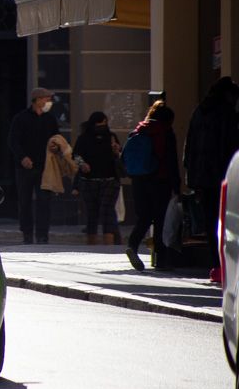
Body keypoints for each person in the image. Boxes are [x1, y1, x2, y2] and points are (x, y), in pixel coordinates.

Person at [183, 77, 239, 267]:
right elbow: (230, 147)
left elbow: (189, 144)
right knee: (229, 221)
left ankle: (216, 263)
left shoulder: (199, 112)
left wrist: (191, 176)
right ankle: (226, 263)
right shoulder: (227, 114)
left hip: (201, 177)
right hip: (223, 176)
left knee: (211, 220)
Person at [125, 101, 180, 271]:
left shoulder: (138, 130)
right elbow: (171, 160)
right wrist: (176, 185)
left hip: (139, 180)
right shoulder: (166, 132)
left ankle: (132, 246)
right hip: (160, 180)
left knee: (144, 217)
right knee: (160, 219)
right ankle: (161, 260)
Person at [7, 87, 60, 244]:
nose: (48, 102)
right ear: (37, 100)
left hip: (45, 168)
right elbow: (13, 141)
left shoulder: (50, 119)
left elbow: (56, 137)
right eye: (45, 99)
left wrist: (56, 147)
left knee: (44, 201)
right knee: (25, 201)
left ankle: (43, 234)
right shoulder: (21, 118)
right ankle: (27, 233)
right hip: (25, 168)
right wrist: (23, 157)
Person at [72, 111, 123, 245]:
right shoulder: (84, 138)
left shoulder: (111, 137)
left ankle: (109, 243)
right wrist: (82, 164)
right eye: (99, 124)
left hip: (110, 180)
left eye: (104, 124)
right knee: (92, 212)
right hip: (89, 181)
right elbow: (76, 155)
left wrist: (117, 150)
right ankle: (92, 242)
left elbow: (120, 154)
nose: (102, 127)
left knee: (107, 211)